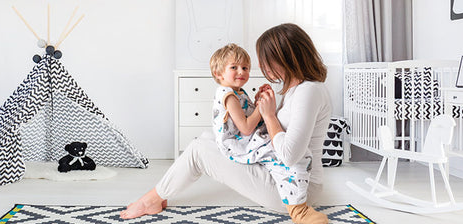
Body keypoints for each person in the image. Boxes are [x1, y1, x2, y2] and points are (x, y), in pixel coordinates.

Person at [120, 23, 332, 224]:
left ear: (286, 58)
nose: (263, 66)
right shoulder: (297, 89)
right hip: (283, 175)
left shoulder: (308, 91)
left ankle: (151, 200)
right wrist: (265, 109)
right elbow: (277, 133)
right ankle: (162, 193)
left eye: (267, 60)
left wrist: (268, 115)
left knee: (199, 151)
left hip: (294, 189)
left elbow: (290, 154)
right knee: (206, 139)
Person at [209, 43, 315, 216]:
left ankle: (296, 193)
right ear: (218, 73)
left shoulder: (237, 92)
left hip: (243, 138)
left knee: (286, 148)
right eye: (234, 67)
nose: (241, 72)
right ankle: (296, 205)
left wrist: (258, 100)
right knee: (279, 154)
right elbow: (246, 128)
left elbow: (247, 114)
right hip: (237, 145)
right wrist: (262, 107)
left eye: (245, 67)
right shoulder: (228, 96)